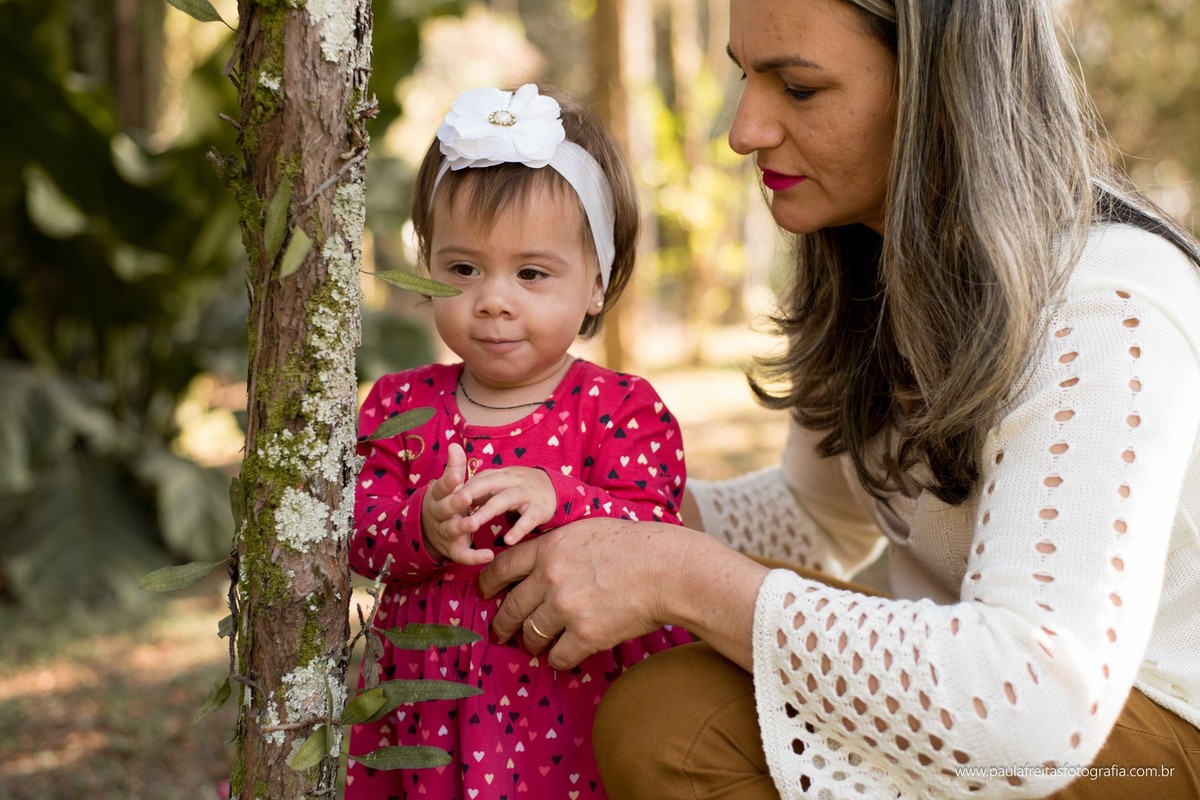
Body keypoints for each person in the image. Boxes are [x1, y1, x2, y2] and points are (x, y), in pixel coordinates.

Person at [475, 2, 1200, 798]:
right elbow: (815, 518)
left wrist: (675, 576)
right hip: (1003, 697)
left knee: (676, 727)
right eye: (745, 77)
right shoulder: (875, 255)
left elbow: (1033, 704)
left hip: (1137, 725)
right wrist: (581, 498)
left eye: (799, 88)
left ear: (941, 87)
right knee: (666, 705)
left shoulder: (1109, 305)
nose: (744, 131)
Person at [345, 84, 692, 799]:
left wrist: (560, 496)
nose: (494, 300)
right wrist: (422, 526)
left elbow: (657, 537)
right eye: (463, 269)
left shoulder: (620, 410)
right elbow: (356, 533)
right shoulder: (400, 408)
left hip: (570, 712)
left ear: (595, 284)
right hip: (428, 715)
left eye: (532, 274)